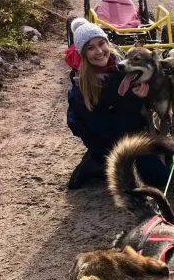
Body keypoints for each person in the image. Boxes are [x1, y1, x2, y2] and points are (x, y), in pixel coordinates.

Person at [66, 18, 167, 189]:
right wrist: (135, 100)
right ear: (82, 54)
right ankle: (94, 163)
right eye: (90, 48)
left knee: (160, 176)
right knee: (128, 180)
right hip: (104, 138)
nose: (99, 51)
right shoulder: (79, 90)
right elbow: (110, 130)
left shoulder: (122, 65)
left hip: (129, 131)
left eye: (101, 43)